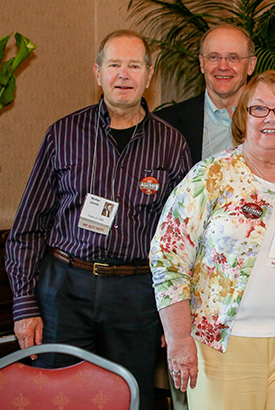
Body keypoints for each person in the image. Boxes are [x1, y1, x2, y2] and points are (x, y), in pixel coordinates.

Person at [4, 30, 191, 410]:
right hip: (64, 292)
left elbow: (183, 241)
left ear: (149, 75)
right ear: (97, 72)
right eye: (114, 65)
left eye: (134, 65)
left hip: (136, 297)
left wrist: (177, 316)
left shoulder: (173, 145)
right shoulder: (63, 134)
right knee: (59, 397)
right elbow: (27, 228)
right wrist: (24, 304)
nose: (124, 74)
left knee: (130, 396)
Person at [150, 70, 275, 409]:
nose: (271, 119)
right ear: (242, 117)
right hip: (221, 351)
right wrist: (178, 338)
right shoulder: (210, 177)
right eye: (259, 109)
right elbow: (168, 260)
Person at [156, 25, 257, 162]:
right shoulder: (164, 125)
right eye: (213, 57)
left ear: (251, 65)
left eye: (233, 58)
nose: (222, 66)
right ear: (202, 64)